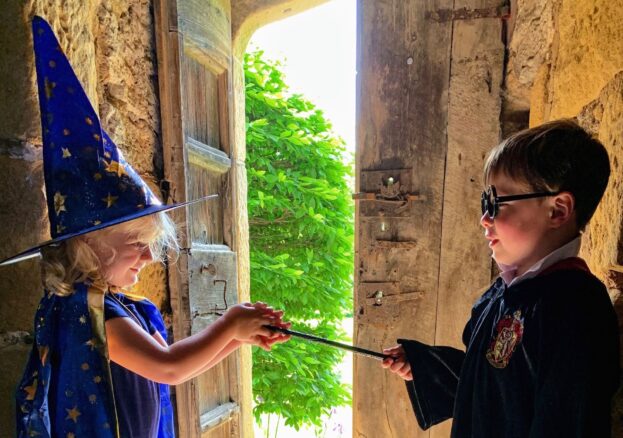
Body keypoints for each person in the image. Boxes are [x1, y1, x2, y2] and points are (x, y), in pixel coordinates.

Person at [10, 16, 289, 437]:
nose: (148, 256)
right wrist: (231, 324)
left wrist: (240, 335)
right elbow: (170, 367)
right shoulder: (86, 311)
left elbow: (170, 364)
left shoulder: (116, 306)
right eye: (137, 243)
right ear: (89, 243)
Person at [381, 120, 620, 437]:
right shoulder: (501, 294)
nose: (484, 218)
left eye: (496, 203)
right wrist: (425, 366)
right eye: (485, 203)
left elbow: (565, 423)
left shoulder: (573, 308)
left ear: (557, 210)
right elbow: (492, 383)